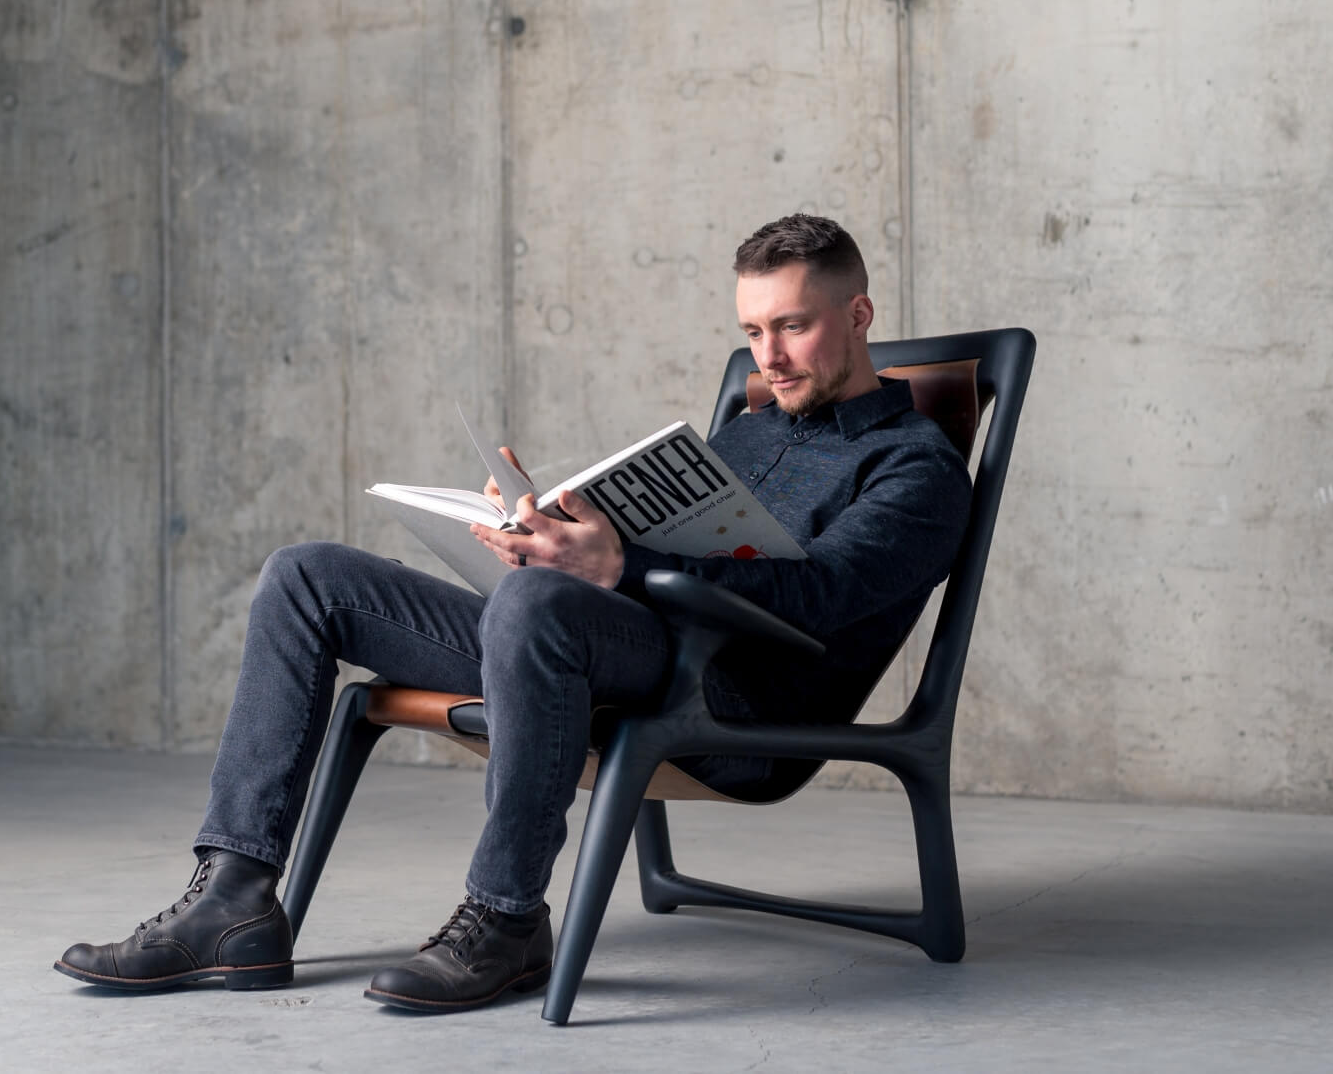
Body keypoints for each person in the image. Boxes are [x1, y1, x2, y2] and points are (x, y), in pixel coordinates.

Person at [54, 213, 973, 1014]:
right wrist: (551, 528)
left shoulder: (916, 467)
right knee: (308, 577)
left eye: (795, 327)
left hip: (739, 707)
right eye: (752, 330)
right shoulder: (754, 424)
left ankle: (504, 918)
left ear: (858, 315)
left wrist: (616, 561)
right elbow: (680, 544)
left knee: (538, 606)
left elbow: (821, 596)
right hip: (614, 647)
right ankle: (234, 898)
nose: (769, 357)